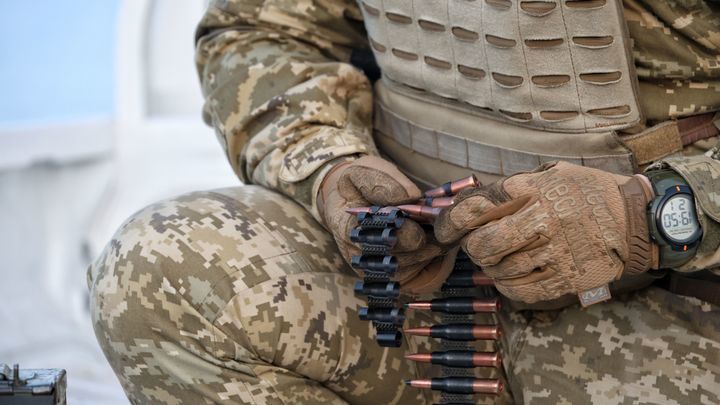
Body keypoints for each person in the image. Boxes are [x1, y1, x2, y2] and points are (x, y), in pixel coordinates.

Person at [87, 0, 720, 403]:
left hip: (667, 316)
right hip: (412, 299)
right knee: (158, 274)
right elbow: (260, 29)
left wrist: (653, 212)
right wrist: (331, 166)